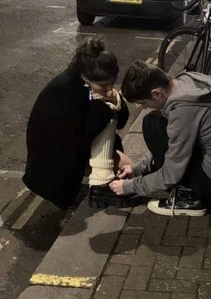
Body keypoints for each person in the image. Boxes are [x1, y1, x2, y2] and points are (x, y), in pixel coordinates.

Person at [109, 60, 211, 217]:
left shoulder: (183, 111)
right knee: (157, 120)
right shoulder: (189, 80)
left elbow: (171, 174)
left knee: (152, 123)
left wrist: (130, 186)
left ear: (157, 93)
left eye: (143, 102)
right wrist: (138, 168)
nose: (144, 107)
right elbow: (177, 143)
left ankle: (188, 197)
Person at [23, 38, 132, 209]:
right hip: (52, 170)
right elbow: (73, 139)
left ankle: (105, 180)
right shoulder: (65, 92)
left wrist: (114, 98)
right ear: (85, 76)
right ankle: (101, 185)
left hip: (67, 151)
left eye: (111, 84)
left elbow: (119, 121)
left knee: (105, 111)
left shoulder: (82, 86)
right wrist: (115, 157)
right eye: (103, 86)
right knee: (105, 112)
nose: (108, 89)